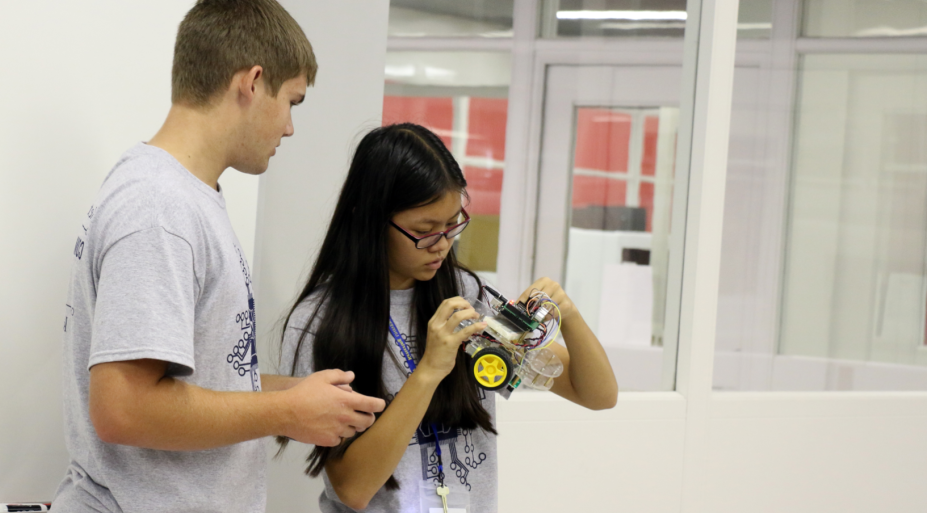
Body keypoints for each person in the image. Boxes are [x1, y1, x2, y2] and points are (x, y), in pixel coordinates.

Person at [53, 2, 386, 512]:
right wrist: (285, 412)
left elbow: (202, 382)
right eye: (291, 102)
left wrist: (301, 396)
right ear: (251, 83)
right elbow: (124, 409)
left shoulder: (182, 196)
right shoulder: (159, 206)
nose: (291, 128)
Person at [279, 123, 619, 512]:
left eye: (453, 225)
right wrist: (428, 371)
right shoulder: (322, 323)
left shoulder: (469, 296)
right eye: (424, 231)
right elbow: (352, 489)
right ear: (371, 220)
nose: (442, 244)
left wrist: (568, 317)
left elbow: (598, 395)